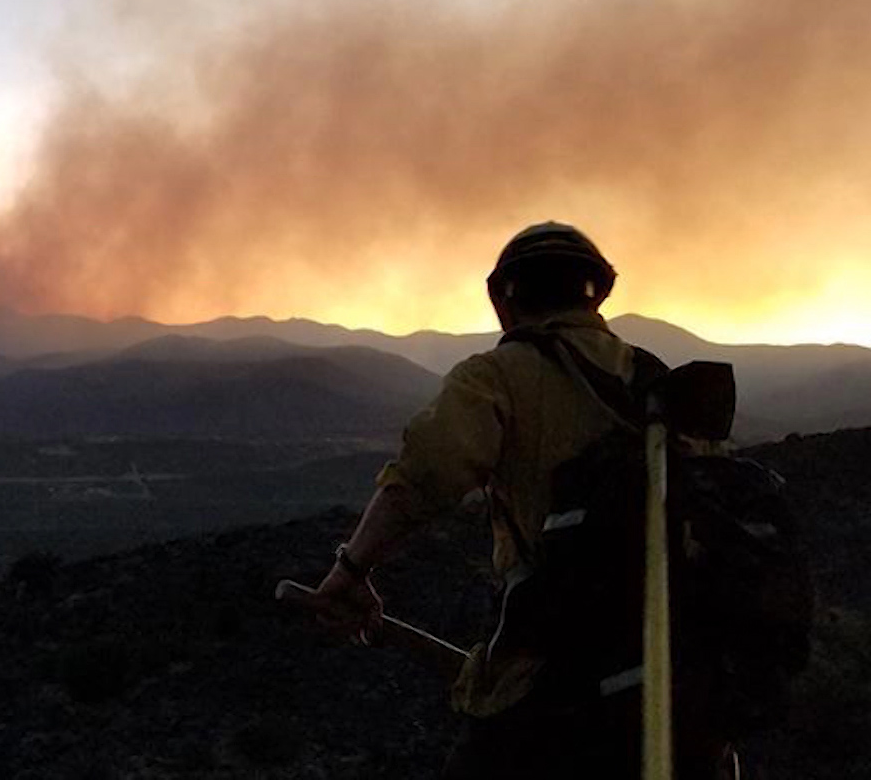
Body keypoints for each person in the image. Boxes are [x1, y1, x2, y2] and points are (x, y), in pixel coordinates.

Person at [301, 222, 727, 780]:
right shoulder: (656, 384)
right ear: (597, 292)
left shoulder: (499, 376)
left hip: (548, 683)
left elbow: (426, 475)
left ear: (505, 297)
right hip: (677, 685)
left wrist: (351, 568)